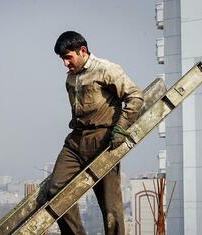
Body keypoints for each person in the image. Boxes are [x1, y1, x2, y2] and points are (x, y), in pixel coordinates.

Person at [48, 31, 144, 235]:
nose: (65, 63)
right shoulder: (71, 77)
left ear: (82, 50)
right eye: (62, 59)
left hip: (104, 141)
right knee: (56, 190)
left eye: (68, 57)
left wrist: (121, 128)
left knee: (110, 207)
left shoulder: (106, 69)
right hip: (76, 141)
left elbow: (135, 97)